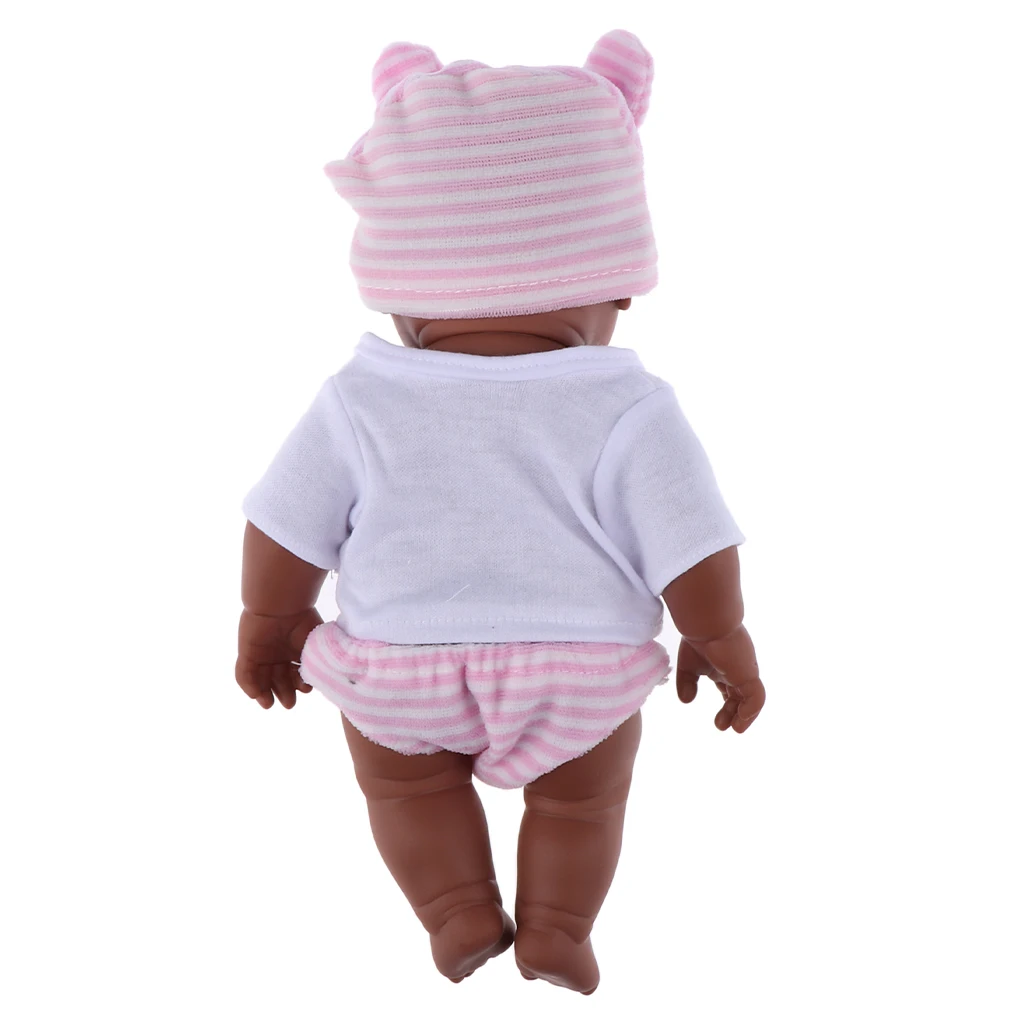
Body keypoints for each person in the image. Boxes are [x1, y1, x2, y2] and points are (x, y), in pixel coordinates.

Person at [236, 30, 766, 995]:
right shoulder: (629, 404)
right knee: (582, 805)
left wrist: (270, 621)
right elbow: (694, 544)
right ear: (621, 286)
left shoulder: (361, 398)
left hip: (399, 665)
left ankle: (456, 911)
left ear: (397, 293)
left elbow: (284, 525)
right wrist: (718, 637)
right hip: (579, 671)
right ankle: (558, 927)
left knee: (401, 784)